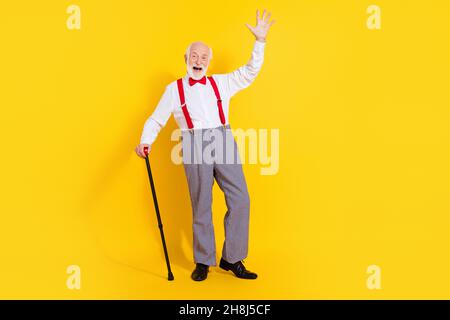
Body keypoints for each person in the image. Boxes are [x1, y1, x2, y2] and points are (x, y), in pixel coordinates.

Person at [135, 9, 275, 281]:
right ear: (185, 59)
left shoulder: (221, 83)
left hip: (223, 139)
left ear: (209, 61)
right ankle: (203, 260)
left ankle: (231, 258)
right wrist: (144, 141)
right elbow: (156, 119)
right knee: (201, 204)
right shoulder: (173, 90)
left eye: (204, 57)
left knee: (240, 198)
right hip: (194, 142)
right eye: (194, 56)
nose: (199, 60)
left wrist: (260, 42)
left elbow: (249, 72)